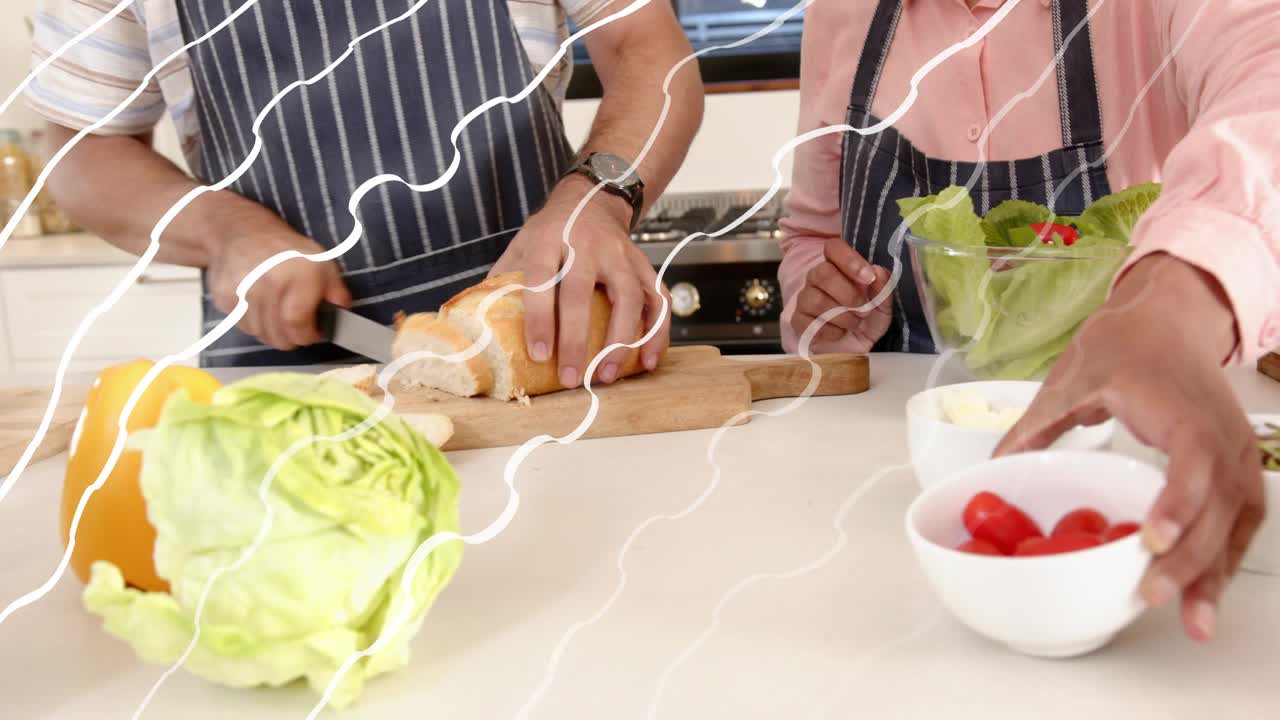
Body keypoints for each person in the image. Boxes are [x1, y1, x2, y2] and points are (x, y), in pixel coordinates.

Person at [779, 0, 1278, 641]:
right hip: (882, 485)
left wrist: (1174, 303)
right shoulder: (841, 14)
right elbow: (809, 236)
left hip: (1121, 464)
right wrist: (819, 305)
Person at [27, 0, 703, 390]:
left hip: (545, 346)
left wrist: (597, 195)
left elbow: (643, 41)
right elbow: (83, 151)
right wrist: (224, 230)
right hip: (292, 381)